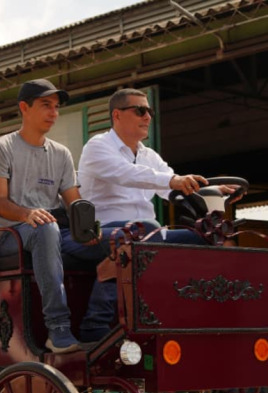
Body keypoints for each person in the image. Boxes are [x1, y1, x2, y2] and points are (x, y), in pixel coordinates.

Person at [62, 88, 241, 342]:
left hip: (144, 233)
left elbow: (172, 190)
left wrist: (214, 191)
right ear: (117, 115)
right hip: (94, 234)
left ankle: (187, 319)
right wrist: (175, 181)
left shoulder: (149, 156)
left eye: (150, 111)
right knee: (137, 234)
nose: (147, 117)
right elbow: (129, 175)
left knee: (206, 237)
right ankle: (95, 325)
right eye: (140, 110)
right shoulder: (97, 147)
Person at [0, 79, 85, 354]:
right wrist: (28, 214)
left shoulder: (62, 154)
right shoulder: (0, 147)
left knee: (117, 243)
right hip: (13, 234)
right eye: (45, 105)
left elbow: (74, 202)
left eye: (56, 107)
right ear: (24, 108)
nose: (54, 112)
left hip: (52, 231)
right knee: (45, 229)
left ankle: (100, 326)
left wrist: (91, 229)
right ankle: (58, 328)